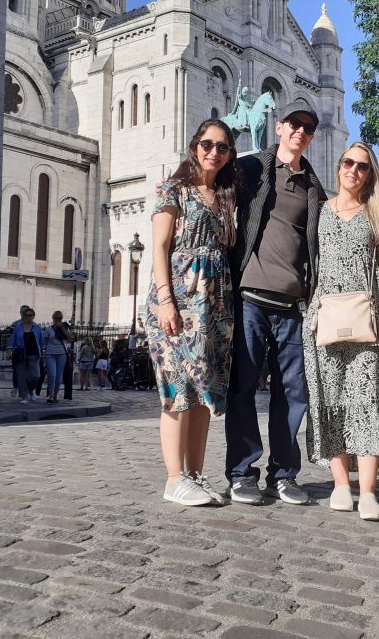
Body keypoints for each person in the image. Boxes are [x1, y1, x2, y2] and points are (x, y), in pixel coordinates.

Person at [224, 101, 327, 506]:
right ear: (279, 127)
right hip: (250, 297)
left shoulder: (314, 187)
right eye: (295, 124)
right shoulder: (251, 169)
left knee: (293, 393)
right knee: (243, 389)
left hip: (293, 305)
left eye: (309, 127)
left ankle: (283, 474)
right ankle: (241, 473)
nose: (301, 131)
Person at [304, 142, 379, 522]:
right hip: (325, 315)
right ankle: (340, 485)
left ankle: (368, 492)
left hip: (369, 318)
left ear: (370, 174)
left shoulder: (376, 214)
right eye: (348, 162)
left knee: (367, 400)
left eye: (362, 166)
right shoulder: (319, 211)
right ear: (338, 166)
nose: (354, 170)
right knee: (330, 398)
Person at [146, 118, 240, 507]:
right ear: (194, 146)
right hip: (179, 302)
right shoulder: (174, 189)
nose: (213, 151)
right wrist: (166, 301)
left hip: (215, 306)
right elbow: (158, 247)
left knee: (205, 393)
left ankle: (196, 475)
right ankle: (174, 478)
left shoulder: (226, 196)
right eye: (206, 144)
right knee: (178, 389)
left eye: (221, 146)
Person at [7, 306, 43, 404]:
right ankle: (25, 396)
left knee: (35, 375)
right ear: (23, 316)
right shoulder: (18, 327)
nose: (28, 317)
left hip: (34, 353)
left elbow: (41, 342)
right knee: (21, 376)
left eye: (30, 315)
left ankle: (31, 390)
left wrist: (43, 353)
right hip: (20, 352)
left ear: (33, 316)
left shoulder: (37, 327)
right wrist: (9, 351)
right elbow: (12, 340)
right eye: (26, 315)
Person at [43, 311, 72, 403]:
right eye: (56, 318)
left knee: (59, 376)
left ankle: (55, 395)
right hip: (50, 354)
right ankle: (50, 394)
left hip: (61, 354)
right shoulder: (49, 329)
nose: (57, 320)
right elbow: (45, 342)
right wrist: (44, 352)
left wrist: (62, 328)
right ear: (53, 318)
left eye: (59, 318)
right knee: (52, 374)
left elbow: (70, 337)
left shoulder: (64, 328)